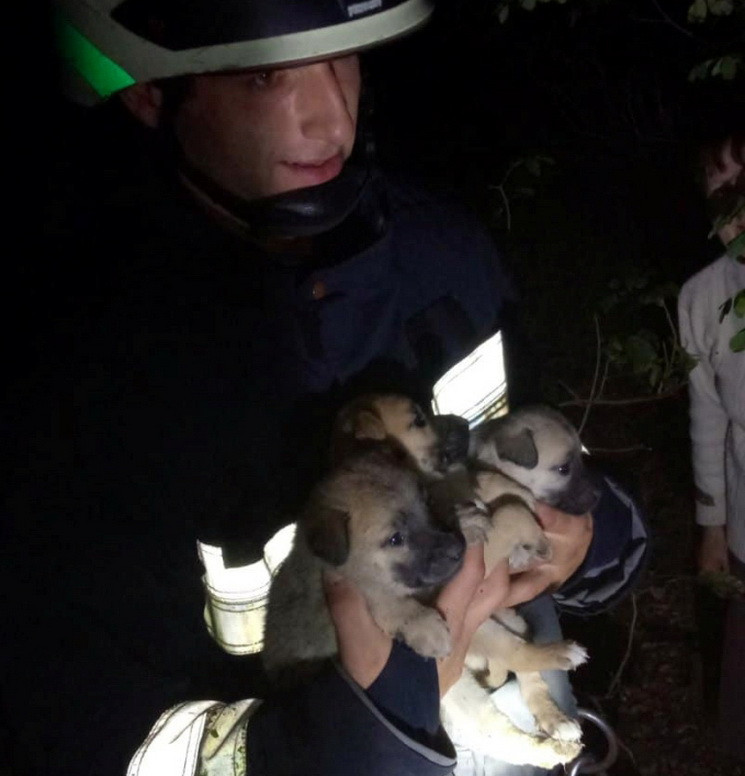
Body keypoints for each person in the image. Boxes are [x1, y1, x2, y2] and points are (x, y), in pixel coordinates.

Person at [3, 1, 649, 774]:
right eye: (264, 75)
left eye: (343, 58)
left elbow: (533, 453)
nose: (331, 122)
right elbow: (81, 725)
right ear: (152, 95)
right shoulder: (88, 382)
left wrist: (590, 538)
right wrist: (342, 740)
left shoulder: (444, 262)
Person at [678, 130, 744, 762]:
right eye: (720, 189)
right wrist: (712, 525)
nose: (735, 204)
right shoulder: (701, 297)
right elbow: (709, 416)